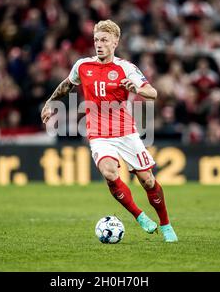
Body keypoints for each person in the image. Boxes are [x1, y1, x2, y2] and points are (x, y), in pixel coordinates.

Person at [41, 20, 178, 242]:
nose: (99, 44)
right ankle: (139, 216)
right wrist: (50, 101)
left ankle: (166, 224)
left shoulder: (126, 68)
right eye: (96, 39)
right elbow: (67, 84)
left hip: (125, 131)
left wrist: (138, 89)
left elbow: (152, 92)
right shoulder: (83, 66)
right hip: (98, 132)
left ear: (115, 42)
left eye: (104, 40)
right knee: (109, 172)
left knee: (148, 181)